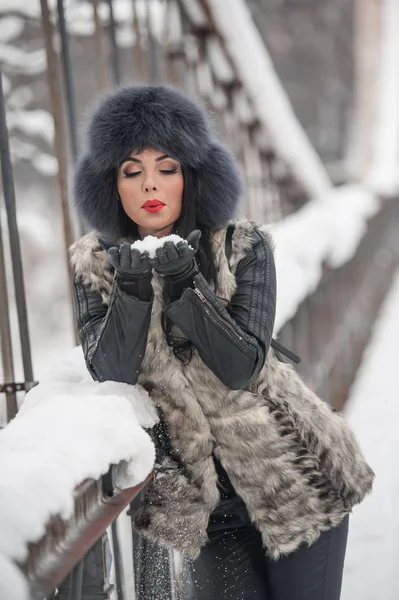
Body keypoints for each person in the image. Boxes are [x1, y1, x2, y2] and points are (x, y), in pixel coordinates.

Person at [70, 84, 374, 600]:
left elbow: (243, 366)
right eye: (131, 170)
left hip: (295, 480)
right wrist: (134, 291)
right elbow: (110, 371)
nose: (151, 184)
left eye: (167, 168)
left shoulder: (243, 246)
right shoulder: (95, 264)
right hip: (203, 507)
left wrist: (188, 286)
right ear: (110, 185)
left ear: (193, 175)